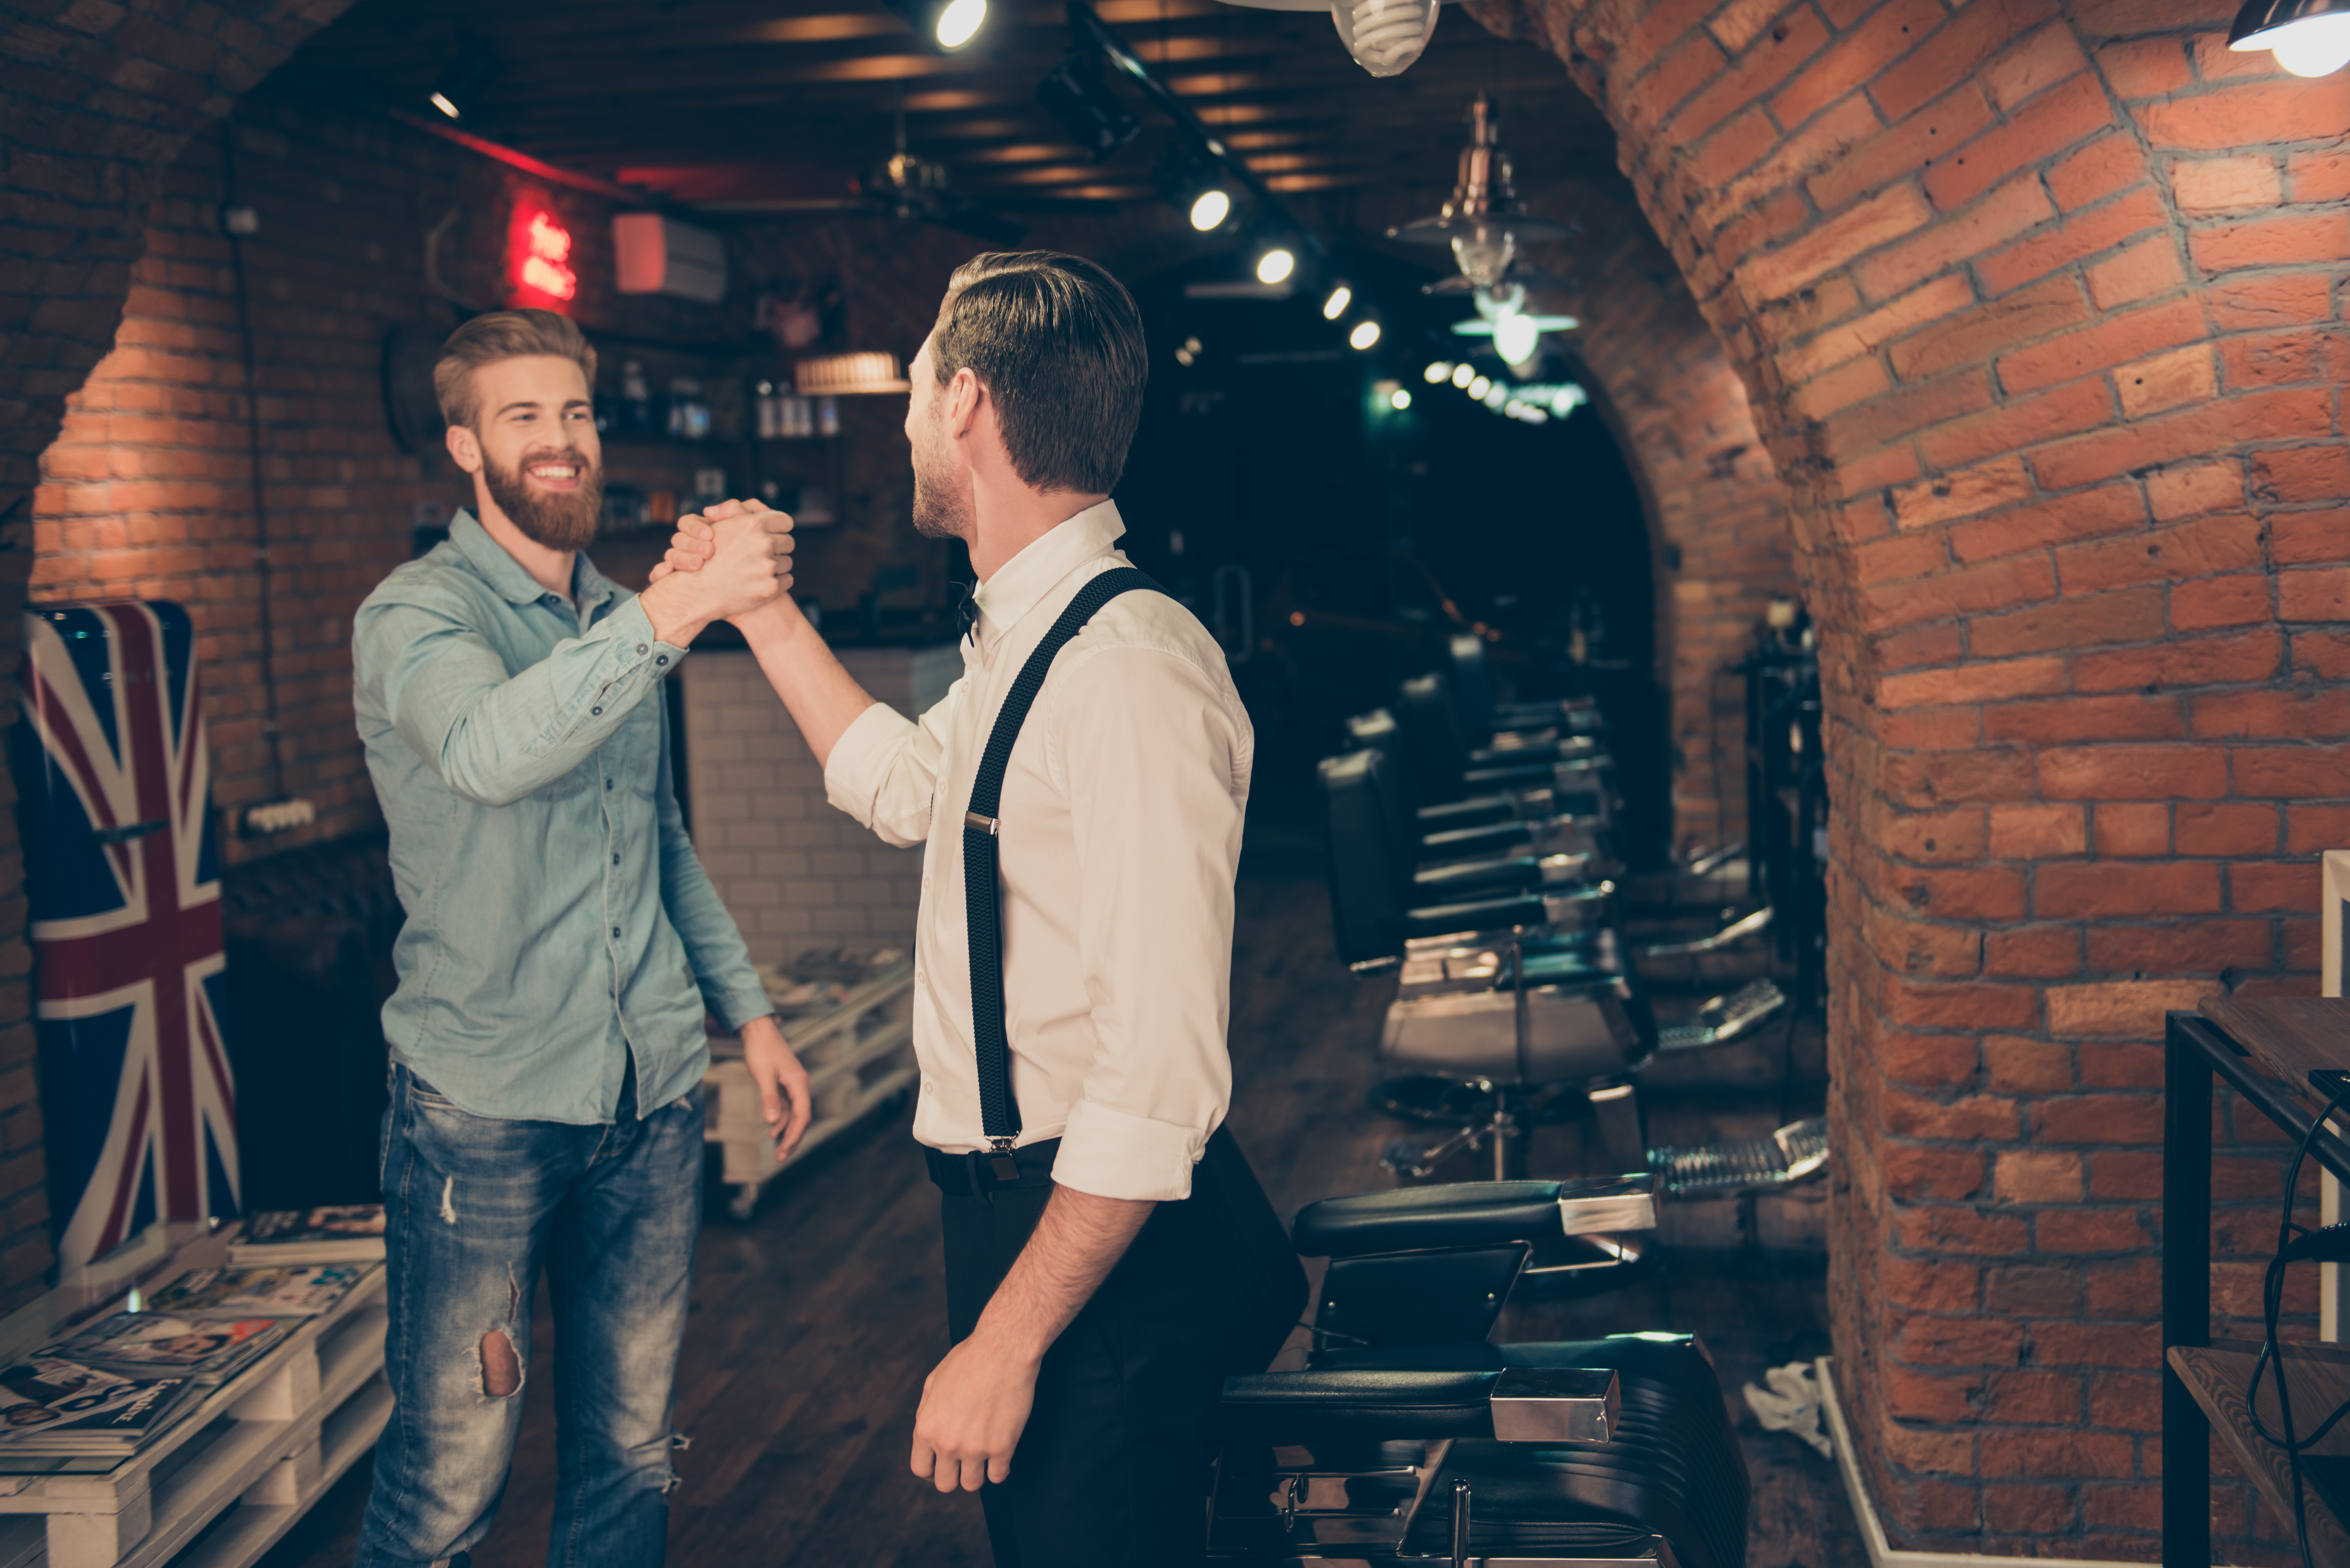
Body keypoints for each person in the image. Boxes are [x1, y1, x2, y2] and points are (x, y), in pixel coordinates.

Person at [654, 253, 1304, 1567]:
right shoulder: (1032, 635)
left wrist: (1002, 1344)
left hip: (1104, 1246)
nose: (903, 421)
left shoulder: (1122, 672)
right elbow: (905, 788)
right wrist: (758, 608)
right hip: (1036, 1216)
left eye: (909, 390)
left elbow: (1157, 1083)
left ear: (963, 404)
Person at [350, 309, 814, 1568]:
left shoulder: (618, 609)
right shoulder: (415, 616)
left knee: (628, 1453)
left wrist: (752, 1015)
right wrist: (676, 610)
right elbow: (492, 753)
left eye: (575, 412)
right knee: (450, 1480)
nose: (560, 441)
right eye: (522, 417)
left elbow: (657, 840)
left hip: (651, 1095)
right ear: (462, 444)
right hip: (482, 1109)